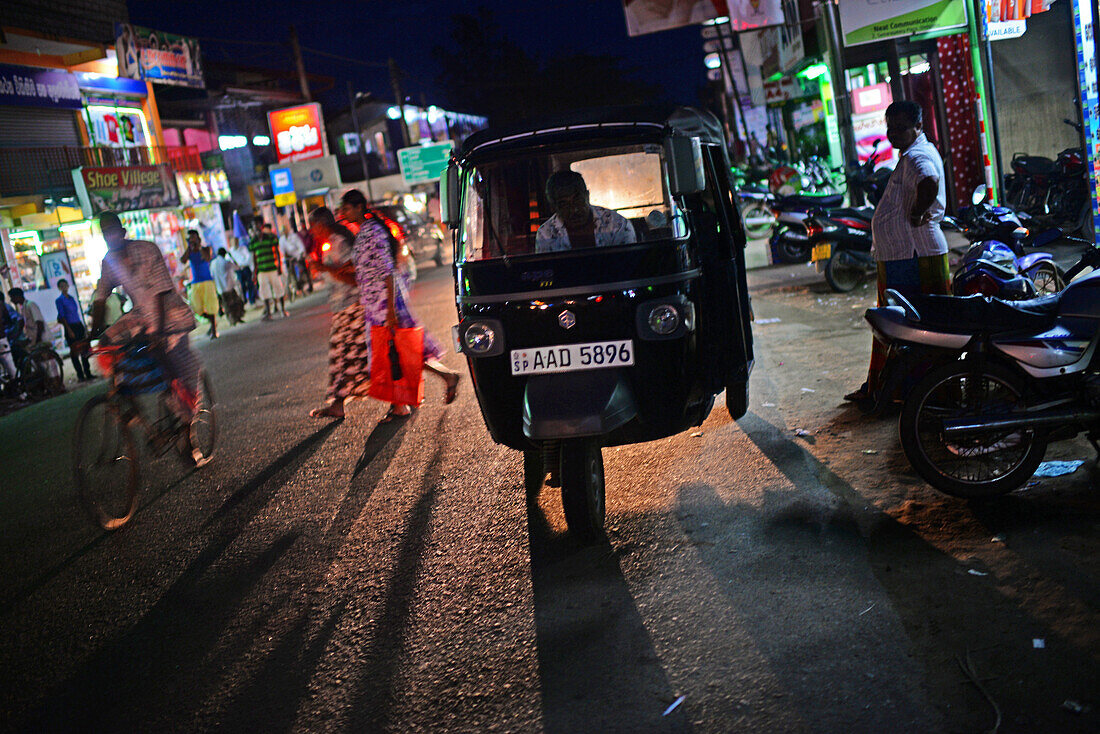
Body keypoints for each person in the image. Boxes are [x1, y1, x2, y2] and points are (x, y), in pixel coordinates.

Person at [846, 100, 950, 406]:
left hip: (914, 255)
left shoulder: (918, 156)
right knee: (898, 326)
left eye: (901, 127)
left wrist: (918, 214)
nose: (893, 133)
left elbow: (929, 183)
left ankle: (908, 393)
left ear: (918, 127)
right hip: (905, 254)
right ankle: (889, 389)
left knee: (906, 327)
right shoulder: (911, 154)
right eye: (890, 127)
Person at [338, 188, 460, 422]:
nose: (342, 213)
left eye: (346, 208)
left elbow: (388, 272)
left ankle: (400, 404)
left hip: (386, 304)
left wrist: (391, 312)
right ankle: (443, 379)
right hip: (377, 305)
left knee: (394, 354)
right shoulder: (365, 231)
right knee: (401, 352)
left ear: (359, 207)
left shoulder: (372, 232)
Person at [89, 211, 201, 420]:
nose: (110, 237)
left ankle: (188, 429)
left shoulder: (148, 250)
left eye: (112, 231)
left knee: (174, 374)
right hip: (141, 315)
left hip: (169, 314)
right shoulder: (109, 262)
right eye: (105, 233)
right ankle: (126, 402)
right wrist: (93, 335)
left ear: (122, 232)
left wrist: (156, 331)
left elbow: (159, 293)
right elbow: (100, 298)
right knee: (108, 346)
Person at [307, 207, 371, 418]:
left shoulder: (339, 243)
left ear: (322, 225)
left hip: (352, 307)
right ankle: (338, 404)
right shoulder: (329, 245)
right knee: (343, 357)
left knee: (360, 357)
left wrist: (326, 269)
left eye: (313, 225)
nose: (311, 231)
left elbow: (354, 277)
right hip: (342, 309)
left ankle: (399, 398)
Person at [535, 170, 637, 253]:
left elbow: (630, 266)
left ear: (587, 196)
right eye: (564, 204)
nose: (574, 210)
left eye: (578, 200)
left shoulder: (617, 224)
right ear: (553, 208)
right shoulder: (545, 234)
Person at [55, 279, 93, 381]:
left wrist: (83, 326)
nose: (64, 287)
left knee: (84, 349)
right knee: (74, 352)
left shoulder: (71, 298)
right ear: (59, 288)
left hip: (78, 325)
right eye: (61, 286)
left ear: (68, 286)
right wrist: (69, 330)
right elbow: (62, 316)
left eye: (65, 285)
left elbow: (76, 313)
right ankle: (80, 375)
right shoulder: (59, 300)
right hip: (70, 327)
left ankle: (88, 373)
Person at [183, 230, 219, 338]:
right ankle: (213, 322)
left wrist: (198, 246)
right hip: (195, 283)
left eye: (193, 238)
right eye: (190, 239)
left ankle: (214, 330)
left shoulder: (206, 249)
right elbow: (182, 260)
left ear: (198, 238)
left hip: (207, 281)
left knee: (211, 306)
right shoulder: (189, 252)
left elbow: (207, 258)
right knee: (196, 308)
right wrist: (189, 248)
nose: (191, 240)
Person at [249, 223, 288, 319]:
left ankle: (282, 309)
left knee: (278, 288)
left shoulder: (270, 238)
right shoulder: (253, 241)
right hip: (261, 270)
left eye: (258, 228)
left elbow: (277, 252)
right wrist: (254, 272)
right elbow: (254, 257)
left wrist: (279, 266)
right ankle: (268, 313)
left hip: (272, 268)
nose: (256, 231)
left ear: (261, 228)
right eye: (255, 229)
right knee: (264, 291)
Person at [211, 247, 245, 325]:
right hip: (229, 287)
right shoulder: (226, 262)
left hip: (220, 288)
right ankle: (237, 318)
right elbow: (237, 267)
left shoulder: (213, 263)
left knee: (227, 305)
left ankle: (232, 320)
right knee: (236, 303)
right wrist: (232, 257)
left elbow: (212, 275)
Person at [279, 225, 307, 299]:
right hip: (288, 258)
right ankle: (293, 287)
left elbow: (300, 246)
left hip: (297, 256)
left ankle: (302, 285)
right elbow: (282, 250)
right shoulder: (281, 240)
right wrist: (286, 256)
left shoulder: (294, 236)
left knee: (302, 270)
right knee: (290, 274)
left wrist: (300, 254)